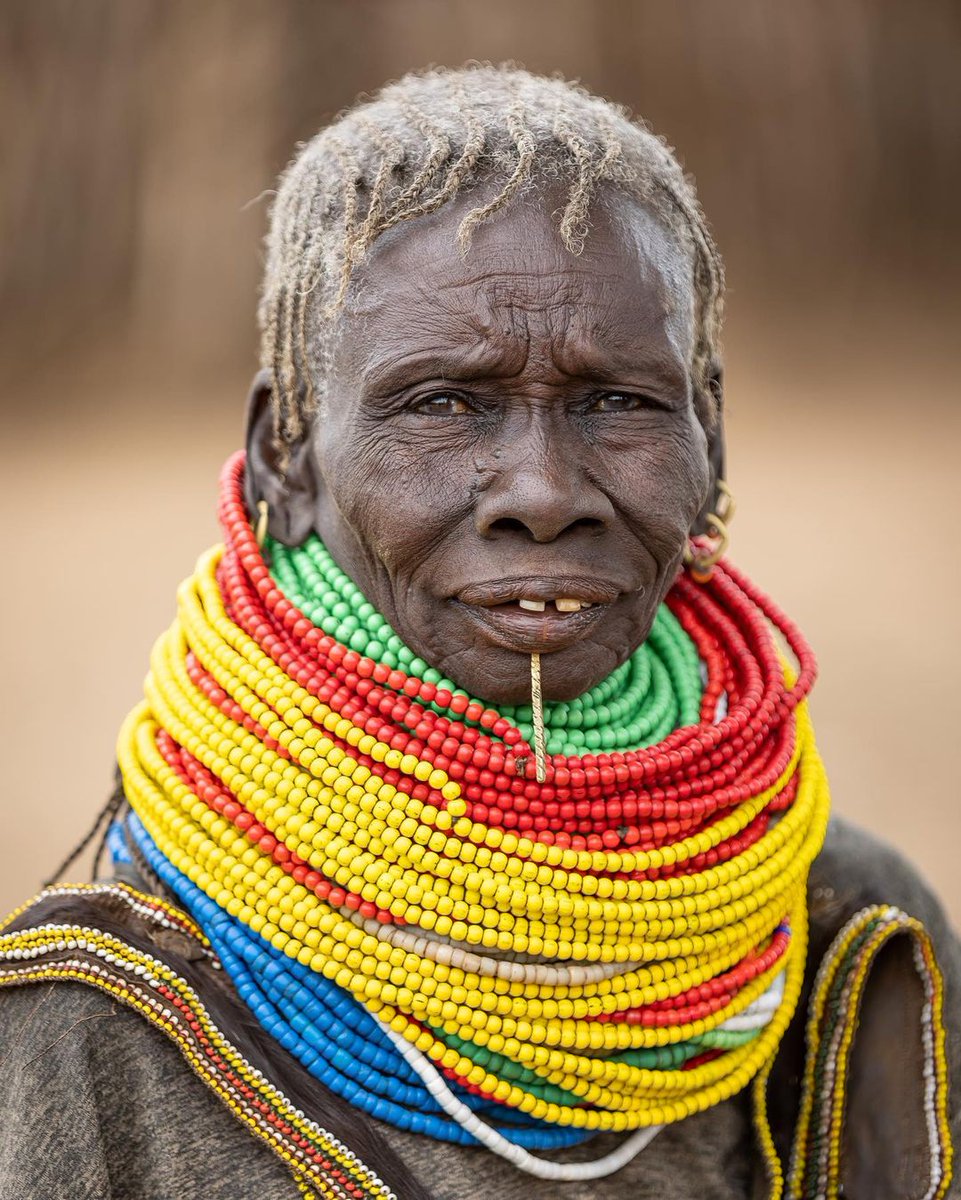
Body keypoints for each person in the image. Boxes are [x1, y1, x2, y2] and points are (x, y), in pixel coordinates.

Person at [0, 65, 957, 1200]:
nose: (545, 491)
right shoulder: (94, 1033)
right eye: (443, 402)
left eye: (618, 401)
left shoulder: (843, 937)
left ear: (713, 443)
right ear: (281, 457)